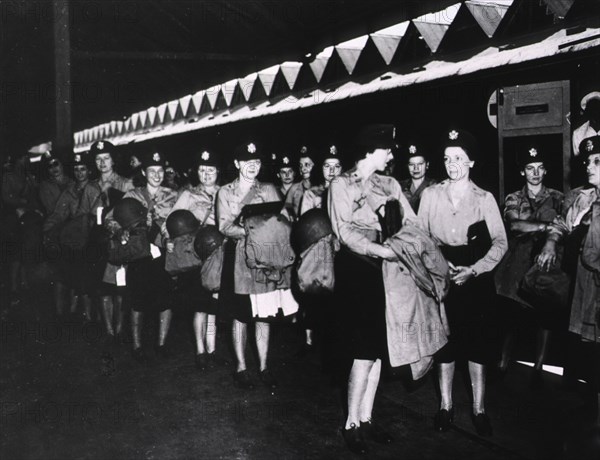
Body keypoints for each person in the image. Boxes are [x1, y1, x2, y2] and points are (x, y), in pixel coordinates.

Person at [328, 124, 416, 454]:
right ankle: (350, 422)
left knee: (379, 349)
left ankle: (366, 417)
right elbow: (344, 231)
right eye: (387, 149)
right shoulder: (341, 184)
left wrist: (413, 248)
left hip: (388, 269)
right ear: (370, 150)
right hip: (357, 270)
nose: (392, 155)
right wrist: (380, 250)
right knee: (363, 350)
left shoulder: (390, 183)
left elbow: (411, 222)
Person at [418, 129, 507, 437]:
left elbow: (499, 243)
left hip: (475, 279)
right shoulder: (430, 195)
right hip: (442, 278)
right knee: (445, 346)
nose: (452, 164)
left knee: (478, 347)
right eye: (447, 158)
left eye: (458, 158)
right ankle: (445, 406)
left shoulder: (485, 198)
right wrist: (439, 265)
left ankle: (479, 409)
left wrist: (476, 269)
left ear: (471, 161)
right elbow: (421, 238)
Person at [216, 141, 291, 390]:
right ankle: (241, 366)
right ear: (237, 164)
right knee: (240, 316)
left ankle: (264, 366)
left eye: (257, 162)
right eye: (247, 162)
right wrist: (255, 234)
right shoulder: (225, 192)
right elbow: (225, 226)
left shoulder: (269, 189)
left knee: (264, 315)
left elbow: (283, 220)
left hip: (265, 261)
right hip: (240, 260)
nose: (252, 167)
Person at [538, 135, 600, 430]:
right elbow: (562, 224)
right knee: (590, 348)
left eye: (597, 161)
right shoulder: (583, 198)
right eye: (588, 161)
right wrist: (551, 242)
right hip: (587, 287)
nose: (589, 166)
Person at [494, 142, 564, 387]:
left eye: (540, 168)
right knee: (512, 315)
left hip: (545, 263)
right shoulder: (514, 198)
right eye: (530, 168)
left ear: (545, 171)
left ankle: (539, 366)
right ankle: (503, 362)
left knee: (545, 316)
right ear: (523, 172)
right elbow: (514, 225)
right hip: (517, 263)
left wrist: (547, 231)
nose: (535, 173)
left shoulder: (558, 198)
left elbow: (564, 227)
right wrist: (546, 227)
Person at [106, 151, 178, 361]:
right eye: (152, 171)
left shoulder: (174, 195)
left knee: (165, 299)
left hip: (164, 253)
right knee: (138, 299)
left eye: (160, 171)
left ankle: (162, 344)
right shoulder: (133, 195)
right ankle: (137, 347)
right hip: (139, 254)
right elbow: (111, 219)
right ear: (144, 173)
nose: (156, 175)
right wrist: (120, 230)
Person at [167, 150, 221, 370]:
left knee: (214, 305)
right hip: (196, 255)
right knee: (199, 304)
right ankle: (200, 351)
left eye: (210, 170)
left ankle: (212, 350)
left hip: (218, 253)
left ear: (217, 172)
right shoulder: (188, 195)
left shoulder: (226, 193)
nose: (206, 174)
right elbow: (171, 221)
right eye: (202, 170)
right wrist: (167, 238)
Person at [296, 142, 343, 356]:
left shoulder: (347, 192)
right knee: (316, 296)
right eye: (327, 166)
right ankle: (312, 340)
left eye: (336, 166)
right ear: (320, 169)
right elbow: (304, 228)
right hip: (319, 253)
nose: (331, 171)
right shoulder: (312, 194)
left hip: (342, 251)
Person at [43, 152, 101, 321]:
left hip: (92, 237)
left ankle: (92, 317)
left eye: (83, 169)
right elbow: (59, 213)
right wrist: (47, 229)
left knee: (90, 277)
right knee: (69, 272)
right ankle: (75, 315)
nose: (79, 173)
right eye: (76, 169)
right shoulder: (70, 190)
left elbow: (94, 215)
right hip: (77, 238)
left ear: (89, 171)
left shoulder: (94, 188)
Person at [89, 140, 134, 343]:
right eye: (98, 159)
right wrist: (102, 193)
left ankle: (119, 327)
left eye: (106, 158)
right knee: (102, 287)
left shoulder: (125, 183)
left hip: (119, 241)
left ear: (113, 160)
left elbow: (133, 212)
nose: (102, 163)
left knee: (120, 287)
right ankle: (108, 330)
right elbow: (86, 213)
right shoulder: (91, 186)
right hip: (99, 241)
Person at [39, 152, 74, 317]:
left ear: (62, 165)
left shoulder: (73, 182)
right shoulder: (45, 186)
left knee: (74, 271)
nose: (54, 168)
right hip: (55, 231)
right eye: (50, 166)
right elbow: (54, 209)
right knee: (59, 273)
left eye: (56, 164)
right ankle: (60, 314)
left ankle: (74, 311)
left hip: (74, 232)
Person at [399, 142, 436, 213]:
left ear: (427, 165)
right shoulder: (399, 187)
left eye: (420, 164)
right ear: (407, 166)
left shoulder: (435, 186)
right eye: (411, 164)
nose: (416, 168)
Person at [284, 146, 315, 219]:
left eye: (307, 165)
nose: (303, 169)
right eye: (300, 166)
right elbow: (287, 207)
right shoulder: (294, 188)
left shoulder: (320, 188)